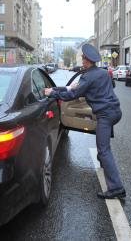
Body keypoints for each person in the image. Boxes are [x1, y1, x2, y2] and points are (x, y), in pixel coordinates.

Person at [44, 44, 125, 199]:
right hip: (116, 112)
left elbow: (72, 95)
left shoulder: (87, 77)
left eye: (83, 58)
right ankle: (103, 162)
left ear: (87, 60)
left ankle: (116, 188)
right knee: (103, 143)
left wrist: (52, 93)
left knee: (103, 149)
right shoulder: (103, 73)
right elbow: (108, 86)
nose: (82, 60)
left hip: (105, 115)